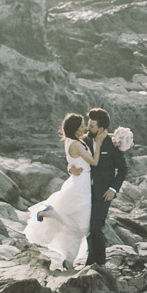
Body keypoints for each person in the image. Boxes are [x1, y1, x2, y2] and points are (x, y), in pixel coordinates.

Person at [24, 113, 98, 270]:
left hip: (79, 181)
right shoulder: (77, 144)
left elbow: (86, 139)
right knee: (82, 225)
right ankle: (51, 213)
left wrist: (112, 135)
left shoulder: (73, 140)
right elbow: (94, 162)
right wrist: (101, 145)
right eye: (82, 126)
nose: (85, 128)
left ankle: (69, 260)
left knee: (77, 225)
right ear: (75, 129)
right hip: (82, 184)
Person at [84, 107, 129, 265]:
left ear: (101, 128)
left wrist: (113, 189)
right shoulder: (86, 141)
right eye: (88, 124)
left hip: (104, 192)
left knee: (96, 227)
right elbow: (74, 160)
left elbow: (123, 169)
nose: (87, 128)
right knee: (88, 227)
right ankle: (91, 262)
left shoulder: (112, 144)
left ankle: (100, 263)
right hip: (84, 190)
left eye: (91, 126)